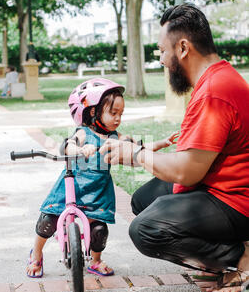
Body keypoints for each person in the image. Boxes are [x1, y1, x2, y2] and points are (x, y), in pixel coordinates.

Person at [99, 3, 249, 292]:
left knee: (146, 230)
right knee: (144, 200)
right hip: (219, 185)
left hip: (236, 200)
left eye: (162, 50)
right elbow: (190, 160)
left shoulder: (214, 92)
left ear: (182, 48)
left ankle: (239, 258)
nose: (162, 60)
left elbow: (187, 170)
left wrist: (135, 154)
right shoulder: (218, 78)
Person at [26, 78, 178, 278]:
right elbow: (67, 146)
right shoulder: (83, 133)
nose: (117, 119)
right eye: (113, 113)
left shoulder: (115, 137)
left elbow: (138, 146)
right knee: (48, 221)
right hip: (72, 187)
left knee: (99, 231)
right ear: (92, 112)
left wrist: (161, 143)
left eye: (120, 114)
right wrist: (80, 149)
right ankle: (36, 254)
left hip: (98, 191)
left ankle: (95, 261)